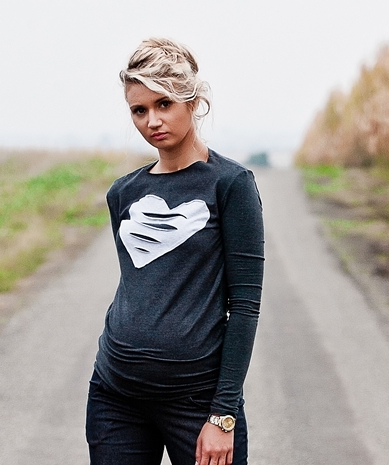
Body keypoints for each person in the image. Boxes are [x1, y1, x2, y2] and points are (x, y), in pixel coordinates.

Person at [85, 37, 265, 465]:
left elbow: (244, 306)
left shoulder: (230, 185)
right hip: (117, 395)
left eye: (164, 104)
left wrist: (223, 414)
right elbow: (142, 284)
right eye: (139, 110)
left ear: (193, 101)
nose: (152, 121)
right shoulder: (123, 192)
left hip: (197, 401)